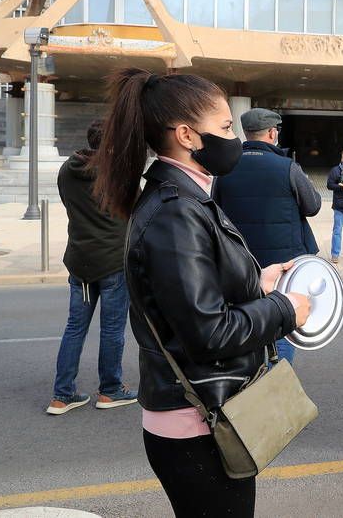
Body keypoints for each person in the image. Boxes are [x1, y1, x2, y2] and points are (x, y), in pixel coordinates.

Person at [91, 68, 311, 517]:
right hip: (197, 425)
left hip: (207, 414)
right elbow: (208, 333)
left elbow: (197, 295)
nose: (233, 137)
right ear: (188, 135)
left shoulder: (190, 198)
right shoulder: (177, 212)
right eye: (226, 127)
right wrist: (285, 309)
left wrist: (259, 281)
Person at [213, 108, 322, 364]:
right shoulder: (287, 167)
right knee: (281, 325)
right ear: (273, 133)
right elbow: (313, 206)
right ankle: (277, 383)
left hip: (240, 264)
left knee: (247, 322)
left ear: (246, 133)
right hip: (284, 264)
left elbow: (215, 211)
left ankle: (251, 381)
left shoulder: (225, 170)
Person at [47, 119, 137, 415]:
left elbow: (68, 205)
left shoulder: (67, 171)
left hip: (80, 261)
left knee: (75, 328)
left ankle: (62, 395)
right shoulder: (118, 175)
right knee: (112, 329)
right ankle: (110, 390)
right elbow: (135, 210)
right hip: (112, 262)